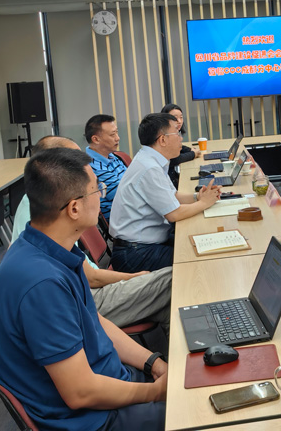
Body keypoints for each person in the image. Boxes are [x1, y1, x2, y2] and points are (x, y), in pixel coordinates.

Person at [0, 148, 167, 431]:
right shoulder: (41, 284)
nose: (102, 195)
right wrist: (155, 392)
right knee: (206, 411)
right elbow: (80, 393)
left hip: (112, 384)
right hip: (95, 419)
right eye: (97, 190)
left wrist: (154, 363)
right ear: (74, 208)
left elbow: (95, 322)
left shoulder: (49, 248)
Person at [11, 135, 172, 335]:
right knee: (172, 282)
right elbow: (89, 279)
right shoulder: (44, 217)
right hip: (85, 296)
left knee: (168, 295)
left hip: (86, 290)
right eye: (76, 160)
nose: (85, 165)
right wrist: (133, 278)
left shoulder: (47, 207)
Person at [109, 113, 221, 273]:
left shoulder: (152, 160)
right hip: (135, 253)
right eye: (177, 133)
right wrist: (204, 203)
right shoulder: (149, 167)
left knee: (201, 243)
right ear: (162, 140)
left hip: (145, 244)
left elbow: (173, 196)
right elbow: (174, 214)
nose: (181, 138)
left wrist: (198, 197)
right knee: (197, 261)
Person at [85, 114, 127, 222]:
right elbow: (127, 197)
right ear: (96, 139)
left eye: (117, 132)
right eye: (112, 134)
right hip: (123, 221)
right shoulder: (92, 167)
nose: (117, 138)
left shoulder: (113, 157)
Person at [160, 103, 201, 186]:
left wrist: (189, 150)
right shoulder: (163, 136)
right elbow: (173, 159)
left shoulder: (173, 132)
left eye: (181, 117)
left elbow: (179, 147)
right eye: (175, 118)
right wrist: (193, 154)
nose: (179, 121)